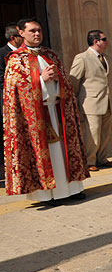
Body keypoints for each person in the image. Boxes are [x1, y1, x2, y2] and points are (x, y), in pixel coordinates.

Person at [4, 17, 89, 204]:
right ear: (21, 33)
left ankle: (71, 189)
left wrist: (58, 78)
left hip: (57, 110)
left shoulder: (51, 55)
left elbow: (66, 81)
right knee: (46, 154)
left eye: (39, 30)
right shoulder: (16, 60)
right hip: (36, 116)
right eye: (32, 31)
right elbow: (16, 91)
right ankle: (48, 194)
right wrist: (40, 80)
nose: (37, 34)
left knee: (64, 150)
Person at [69, 29, 112, 172]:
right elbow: (73, 80)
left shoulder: (105, 57)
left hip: (106, 101)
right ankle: (90, 160)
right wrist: (75, 100)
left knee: (105, 132)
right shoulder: (82, 58)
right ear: (96, 41)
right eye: (104, 39)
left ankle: (102, 158)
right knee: (93, 132)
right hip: (91, 102)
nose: (107, 42)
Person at [0, 22, 24, 181]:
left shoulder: (25, 52)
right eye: (20, 35)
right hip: (9, 101)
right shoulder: (2, 53)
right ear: (13, 38)